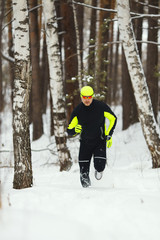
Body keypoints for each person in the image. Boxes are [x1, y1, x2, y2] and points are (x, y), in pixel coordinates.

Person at [67, 86, 117, 188]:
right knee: (83, 173)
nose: (87, 99)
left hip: (100, 141)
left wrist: (109, 135)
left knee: (99, 166)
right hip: (85, 143)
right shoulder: (78, 111)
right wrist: (74, 130)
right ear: (81, 97)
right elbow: (69, 130)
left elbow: (113, 118)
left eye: (89, 97)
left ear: (92, 96)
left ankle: (99, 171)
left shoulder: (101, 107)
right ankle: (87, 194)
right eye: (84, 97)